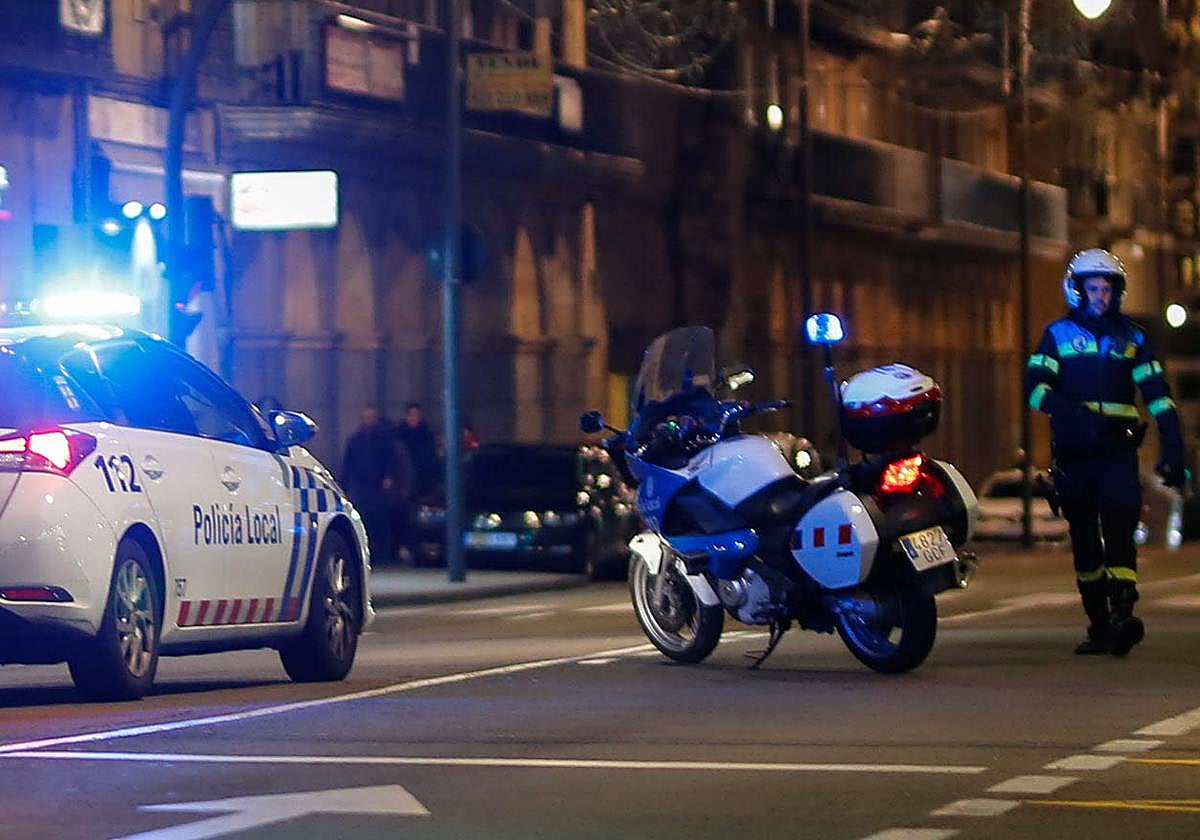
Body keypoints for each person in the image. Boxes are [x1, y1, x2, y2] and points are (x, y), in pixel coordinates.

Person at [1024, 248, 1186, 656]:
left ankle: (1124, 611)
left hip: (1117, 453)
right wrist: (1076, 413)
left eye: (1108, 289)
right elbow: (1036, 390)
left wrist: (1174, 446)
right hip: (1075, 455)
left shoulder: (1132, 338)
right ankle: (1098, 623)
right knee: (1085, 540)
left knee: (1120, 528)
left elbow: (1158, 397)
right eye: (1094, 288)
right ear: (1077, 290)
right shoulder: (1057, 335)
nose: (1101, 296)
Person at [341, 407, 409, 565]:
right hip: (362, 485)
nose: (368, 421)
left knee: (380, 519)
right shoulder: (355, 441)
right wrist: (344, 485)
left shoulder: (383, 440)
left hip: (378, 485)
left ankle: (383, 554)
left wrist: (388, 476)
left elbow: (390, 460)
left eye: (371, 417)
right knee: (365, 519)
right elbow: (348, 464)